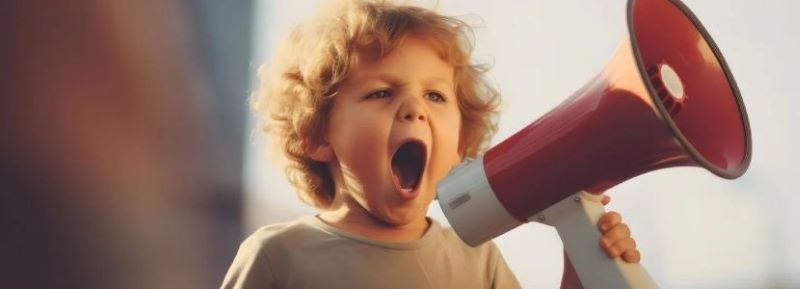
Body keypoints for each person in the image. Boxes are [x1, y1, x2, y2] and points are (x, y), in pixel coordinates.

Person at [222, 1, 641, 288]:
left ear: (460, 145)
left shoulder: (478, 260)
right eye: (382, 93)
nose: (414, 109)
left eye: (436, 96)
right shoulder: (278, 256)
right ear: (316, 136)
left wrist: (582, 268)